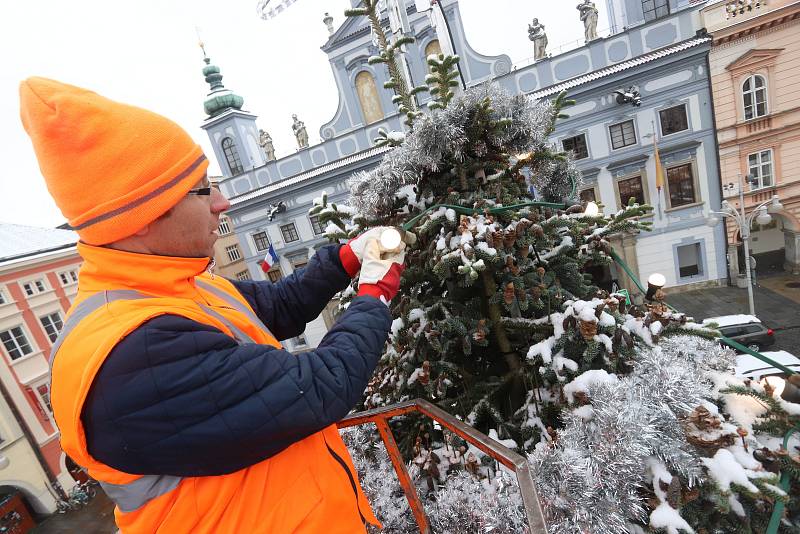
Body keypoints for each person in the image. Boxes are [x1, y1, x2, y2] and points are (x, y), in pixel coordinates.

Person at [19, 77, 406, 534]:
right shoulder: (131, 353)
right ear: (141, 216)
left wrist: (345, 258)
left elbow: (279, 305)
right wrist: (374, 295)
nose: (223, 203)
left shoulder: (181, 287)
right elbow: (322, 385)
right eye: (202, 190)